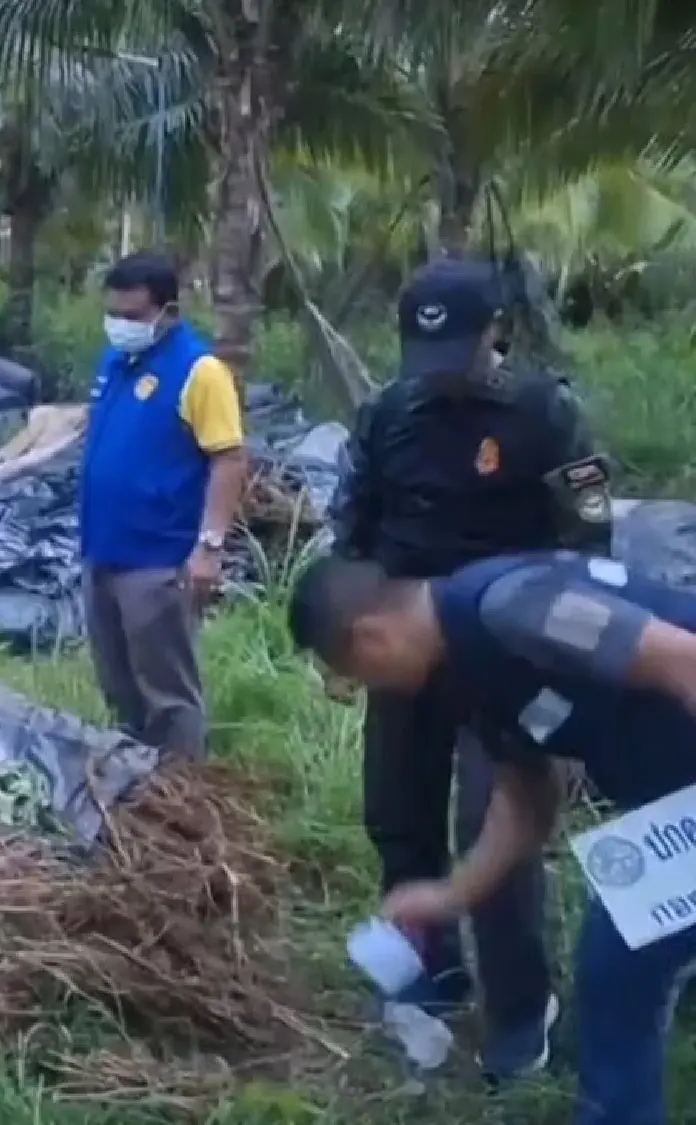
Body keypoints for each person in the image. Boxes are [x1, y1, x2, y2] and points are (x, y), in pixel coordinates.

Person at [289, 550, 696, 1125]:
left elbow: (684, 658)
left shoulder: (515, 608)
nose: (368, 690)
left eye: (357, 677)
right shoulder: (468, 671)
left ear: (371, 637)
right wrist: (451, 895)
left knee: (618, 966)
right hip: (672, 795)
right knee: (625, 965)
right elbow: (526, 800)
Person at [326, 258, 611, 1077]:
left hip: (507, 655)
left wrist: (560, 642)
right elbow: (356, 526)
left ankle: (521, 1006)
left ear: (496, 332)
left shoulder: (547, 414)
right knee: (398, 811)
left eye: (458, 353)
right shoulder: (390, 414)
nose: (442, 376)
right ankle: (430, 969)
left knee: (496, 824)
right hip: (406, 650)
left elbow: (589, 533)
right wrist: (350, 632)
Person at [77, 252, 246, 761]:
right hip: (103, 550)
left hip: (157, 559)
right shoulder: (116, 362)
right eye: (112, 314)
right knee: (118, 682)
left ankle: (181, 783)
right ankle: (135, 777)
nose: (119, 325)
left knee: (166, 690)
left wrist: (209, 547)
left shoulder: (200, 371)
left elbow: (229, 459)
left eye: (132, 316)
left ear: (168, 311)